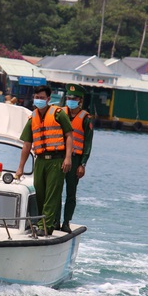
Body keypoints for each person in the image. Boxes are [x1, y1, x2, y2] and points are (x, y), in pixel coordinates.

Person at [16, 85, 73, 236]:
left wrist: (68, 158)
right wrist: (20, 167)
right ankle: (44, 221)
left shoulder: (58, 114)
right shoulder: (32, 118)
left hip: (56, 160)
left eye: (42, 98)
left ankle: (45, 226)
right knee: (39, 193)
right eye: (37, 97)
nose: (39, 100)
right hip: (40, 160)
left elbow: (69, 136)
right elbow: (27, 144)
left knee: (51, 194)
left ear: (48, 99)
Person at [57, 83, 93, 233]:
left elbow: (88, 143)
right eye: (69, 97)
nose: (70, 100)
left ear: (80, 100)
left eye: (74, 98)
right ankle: (54, 221)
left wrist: (82, 164)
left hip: (76, 159)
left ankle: (66, 222)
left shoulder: (86, 118)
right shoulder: (60, 113)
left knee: (71, 193)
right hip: (59, 157)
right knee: (56, 191)